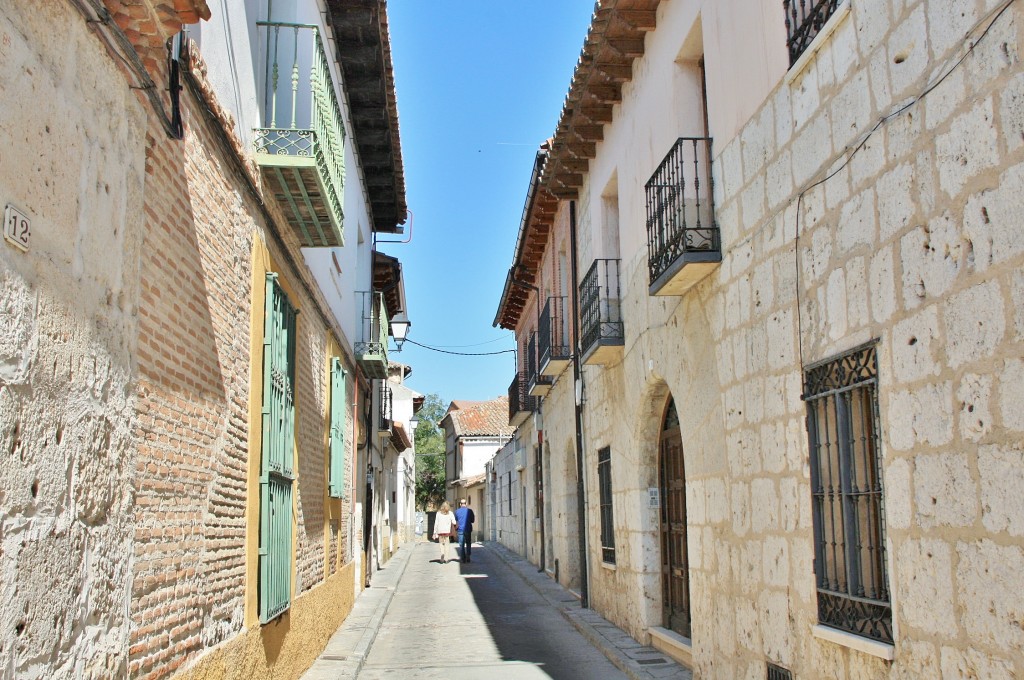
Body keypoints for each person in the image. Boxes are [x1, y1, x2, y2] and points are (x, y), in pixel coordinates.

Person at [454, 498, 475, 563]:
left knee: (461, 544)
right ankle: (468, 555)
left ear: (460, 504)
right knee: (468, 543)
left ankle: (463, 558)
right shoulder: (470, 511)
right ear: (466, 504)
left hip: (460, 529)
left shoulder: (457, 511)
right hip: (468, 529)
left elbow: (456, 520)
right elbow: (473, 521)